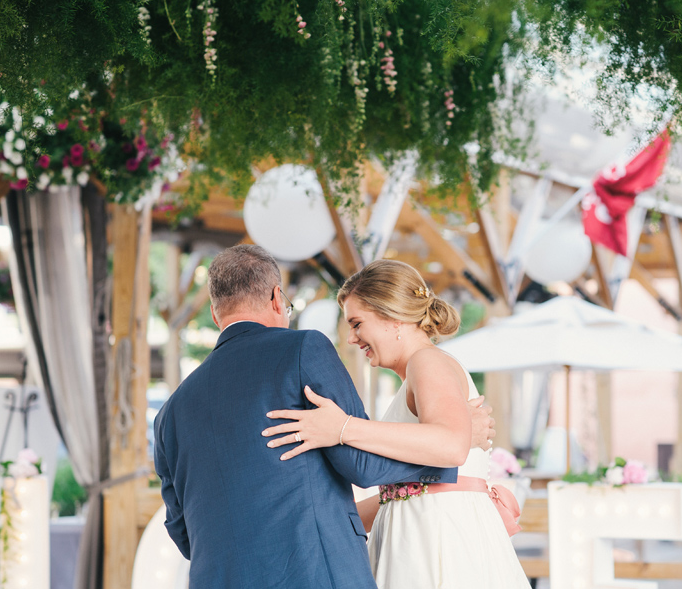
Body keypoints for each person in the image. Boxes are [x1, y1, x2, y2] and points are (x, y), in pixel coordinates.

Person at [152, 245, 495, 588]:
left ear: (214, 314)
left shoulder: (169, 414)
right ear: (276, 298)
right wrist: (459, 447)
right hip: (315, 574)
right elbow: (362, 465)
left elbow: (183, 535)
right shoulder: (301, 350)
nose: (351, 336)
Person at [265, 259, 530, 589]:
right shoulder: (418, 372)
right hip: (420, 536)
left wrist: (343, 428)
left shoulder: (427, 360)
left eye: (357, 323)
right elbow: (406, 491)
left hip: (437, 543)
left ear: (393, 318)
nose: (351, 338)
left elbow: (450, 445)